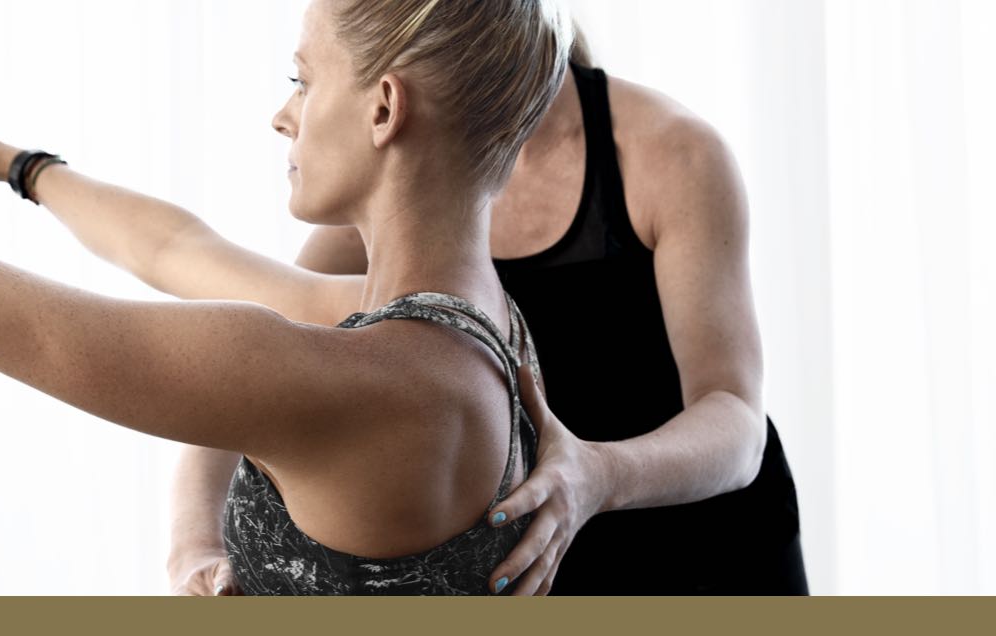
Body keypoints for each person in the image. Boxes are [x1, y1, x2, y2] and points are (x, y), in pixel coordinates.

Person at [0, 0, 575, 595]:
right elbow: (177, 250)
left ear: (384, 108)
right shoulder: (470, 331)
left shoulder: (363, 386)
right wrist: (15, 165)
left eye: (302, 81)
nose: (282, 115)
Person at [168, 18, 810, 597]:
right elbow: (255, 367)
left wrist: (596, 476)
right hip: (531, 569)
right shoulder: (391, 169)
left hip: (706, 559)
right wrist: (196, 547)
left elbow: (735, 421)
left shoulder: (672, 154)